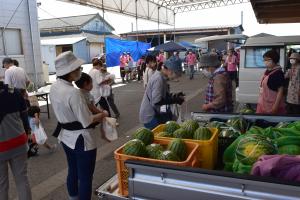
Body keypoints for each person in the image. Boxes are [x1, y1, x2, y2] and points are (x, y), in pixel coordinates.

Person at [50, 51, 108, 200]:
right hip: (81, 139)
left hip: (65, 136)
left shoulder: (54, 87)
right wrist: (102, 114)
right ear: (69, 72)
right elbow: (87, 121)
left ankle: (73, 198)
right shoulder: (73, 93)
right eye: (77, 68)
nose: (79, 71)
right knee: (86, 177)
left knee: (73, 170)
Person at [0, 81, 32, 200]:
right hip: (18, 142)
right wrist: (28, 131)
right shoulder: (15, 92)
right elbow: (25, 116)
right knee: (22, 179)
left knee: (1, 185)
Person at [139, 62, 185, 130]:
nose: (176, 77)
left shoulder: (162, 77)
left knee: (171, 126)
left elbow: (163, 95)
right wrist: (174, 100)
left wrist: (175, 96)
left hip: (155, 113)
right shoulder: (158, 79)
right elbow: (157, 101)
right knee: (166, 133)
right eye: (176, 74)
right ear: (169, 70)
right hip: (150, 116)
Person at [74, 72, 111, 141]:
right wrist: (103, 113)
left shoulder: (79, 92)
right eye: (91, 83)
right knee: (105, 114)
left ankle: (104, 133)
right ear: (85, 84)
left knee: (103, 115)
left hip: (80, 117)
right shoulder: (86, 95)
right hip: (85, 119)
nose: (92, 85)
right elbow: (92, 108)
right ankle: (103, 134)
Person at [256, 50, 285, 114]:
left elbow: (280, 91)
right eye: (264, 60)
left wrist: (275, 106)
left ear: (274, 60)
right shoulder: (267, 71)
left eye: (268, 60)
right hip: (264, 102)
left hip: (273, 105)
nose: (265, 62)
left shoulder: (278, 73)